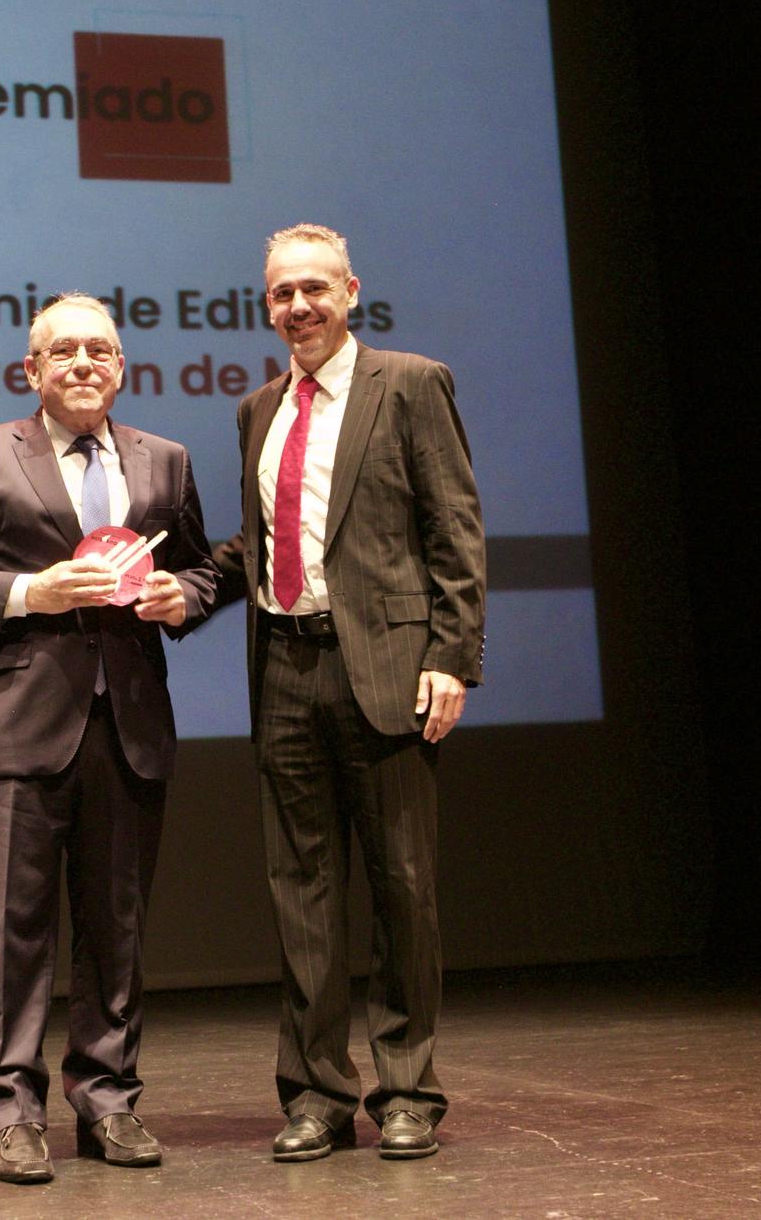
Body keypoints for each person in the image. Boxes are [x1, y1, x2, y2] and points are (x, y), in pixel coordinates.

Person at [0, 293, 216, 1184]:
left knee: (116, 926)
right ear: (30, 370)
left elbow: (196, 567)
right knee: (12, 930)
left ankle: (109, 1101)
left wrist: (181, 599)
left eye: (102, 350)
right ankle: (11, 1111)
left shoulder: (166, 459)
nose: (85, 363)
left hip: (129, 726)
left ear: (122, 368)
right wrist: (27, 592)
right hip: (18, 727)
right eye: (65, 350)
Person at [211, 223, 485, 1162]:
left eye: (315, 289)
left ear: (351, 290)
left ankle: (406, 1088)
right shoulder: (258, 409)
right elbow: (261, 544)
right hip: (284, 668)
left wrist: (452, 654)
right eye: (282, 293)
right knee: (303, 895)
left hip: (388, 672)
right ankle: (318, 1094)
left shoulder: (409, 384)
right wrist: (186, 591)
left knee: (404, 886)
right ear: (268, 303)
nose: (299, 307)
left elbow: (454, 526)